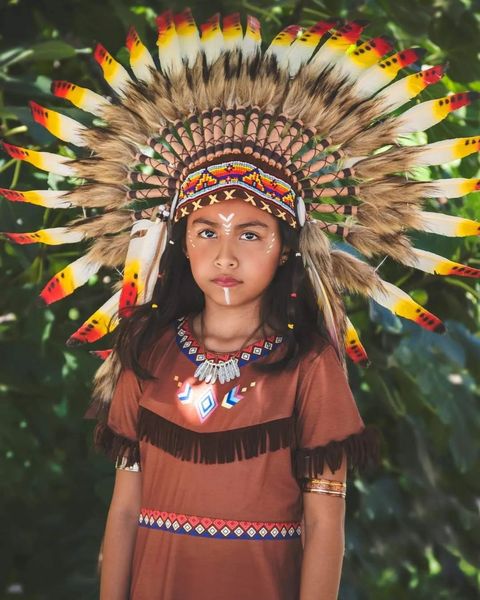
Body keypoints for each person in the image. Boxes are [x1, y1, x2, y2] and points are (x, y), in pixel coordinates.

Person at [3, 8, 479, 600]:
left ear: (286, 249)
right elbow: (124, 509)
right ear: (182, 242)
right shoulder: (145, 349)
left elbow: (324, 523)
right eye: (206, 231)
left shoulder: (309, 365)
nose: (225, 254)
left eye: (250, 233)